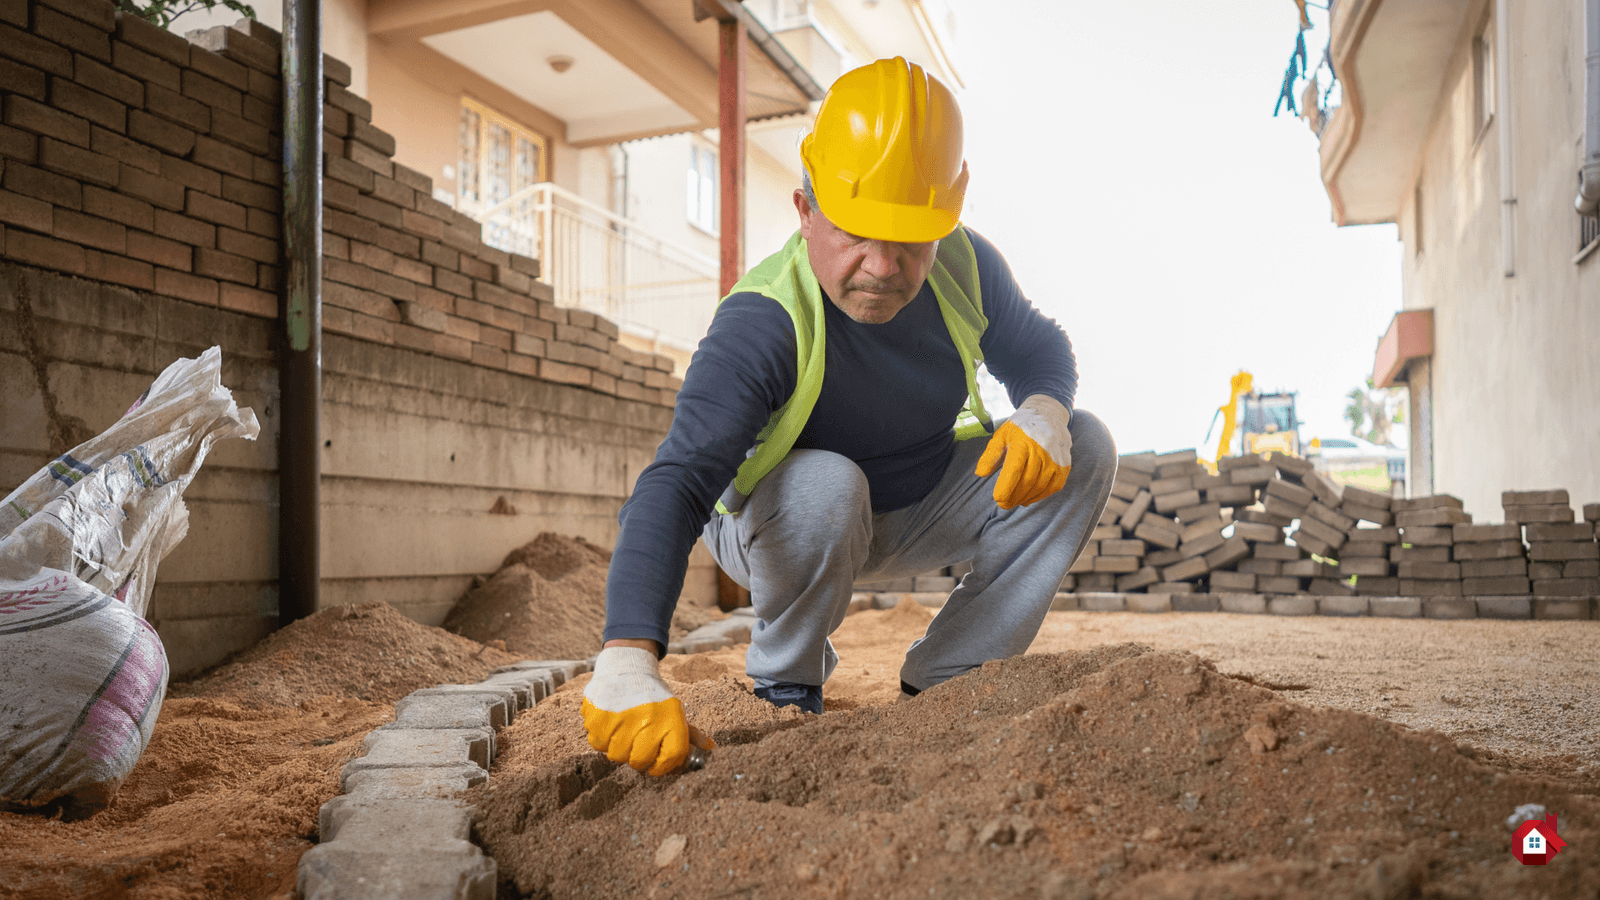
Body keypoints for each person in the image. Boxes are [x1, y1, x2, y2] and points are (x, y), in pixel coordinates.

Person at [581, 57, 1116, 777]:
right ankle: (786, 683)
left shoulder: (965, 265)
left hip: (917, 501)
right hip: (779, 525)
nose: (883, 266)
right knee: (826, 484)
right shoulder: (763, 323)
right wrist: (625, 658)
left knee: (1085, 444)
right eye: (856, 231)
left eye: (910, 237)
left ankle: (951, 679)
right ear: (805, 211)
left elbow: (1039, 349)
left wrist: (1045, 410)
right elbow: (676, 482)